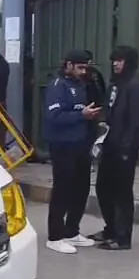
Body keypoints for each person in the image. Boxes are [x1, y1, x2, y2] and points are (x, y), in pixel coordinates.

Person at [89, 45, 139, 251]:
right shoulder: (115, 84)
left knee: (121, 194)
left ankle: (122, 238)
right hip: (109, 145)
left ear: (129, 62)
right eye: (114, 60)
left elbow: (138, 121)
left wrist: (129, 147)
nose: (115, 64)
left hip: (124, 149)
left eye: (120, 60)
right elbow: (109, 109)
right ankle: (111, 228)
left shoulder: (136, 86)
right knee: (103, 189)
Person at [43, 50, 101, 254]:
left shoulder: (81, 85)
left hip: (81, 144)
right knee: (63, 190)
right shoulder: (58, 86)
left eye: (86, 67)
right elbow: (55, 116)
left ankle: (71, 231)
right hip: (62, 146)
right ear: (68, 65)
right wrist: (81, 115)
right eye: (80, 67)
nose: (84, 71)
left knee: (81, 189)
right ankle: (55, 236)